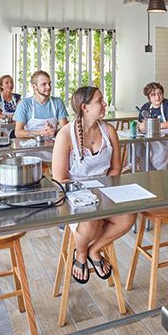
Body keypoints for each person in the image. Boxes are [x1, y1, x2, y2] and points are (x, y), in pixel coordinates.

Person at [52, 86, 135, 284]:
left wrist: (103, 193)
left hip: (105, 192)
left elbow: (116, 168)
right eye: (100, 101)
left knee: (129, 217)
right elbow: (59, 179)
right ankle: (80, 254)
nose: (105, 104)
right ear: (85, 107)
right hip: (75, 196)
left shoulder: (109, 131)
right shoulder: (65, 135)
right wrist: (89, 196)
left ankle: (94, 250)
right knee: (92, 220)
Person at [14, 70, 69, 140]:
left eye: (49, 84)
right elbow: (18, 132)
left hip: (53, 148)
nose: (48, 87)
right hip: (30, 148)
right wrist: (40, 133)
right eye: (44, 84)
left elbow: (65, 129)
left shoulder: (58, 102)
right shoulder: (24, 104)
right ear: (34, 87)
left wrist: (54, 132)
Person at [137, 82, 168, 170]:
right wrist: (142, 127)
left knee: (154, 149)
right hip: (148, 138)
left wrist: (151, 124)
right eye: (153, 95)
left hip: (164, 139)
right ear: (148, 97)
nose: (157, 97)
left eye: (159, 94)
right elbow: (141, 125)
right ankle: (134, 163)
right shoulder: (145, 107)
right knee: (135, 142)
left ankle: (157, 171)